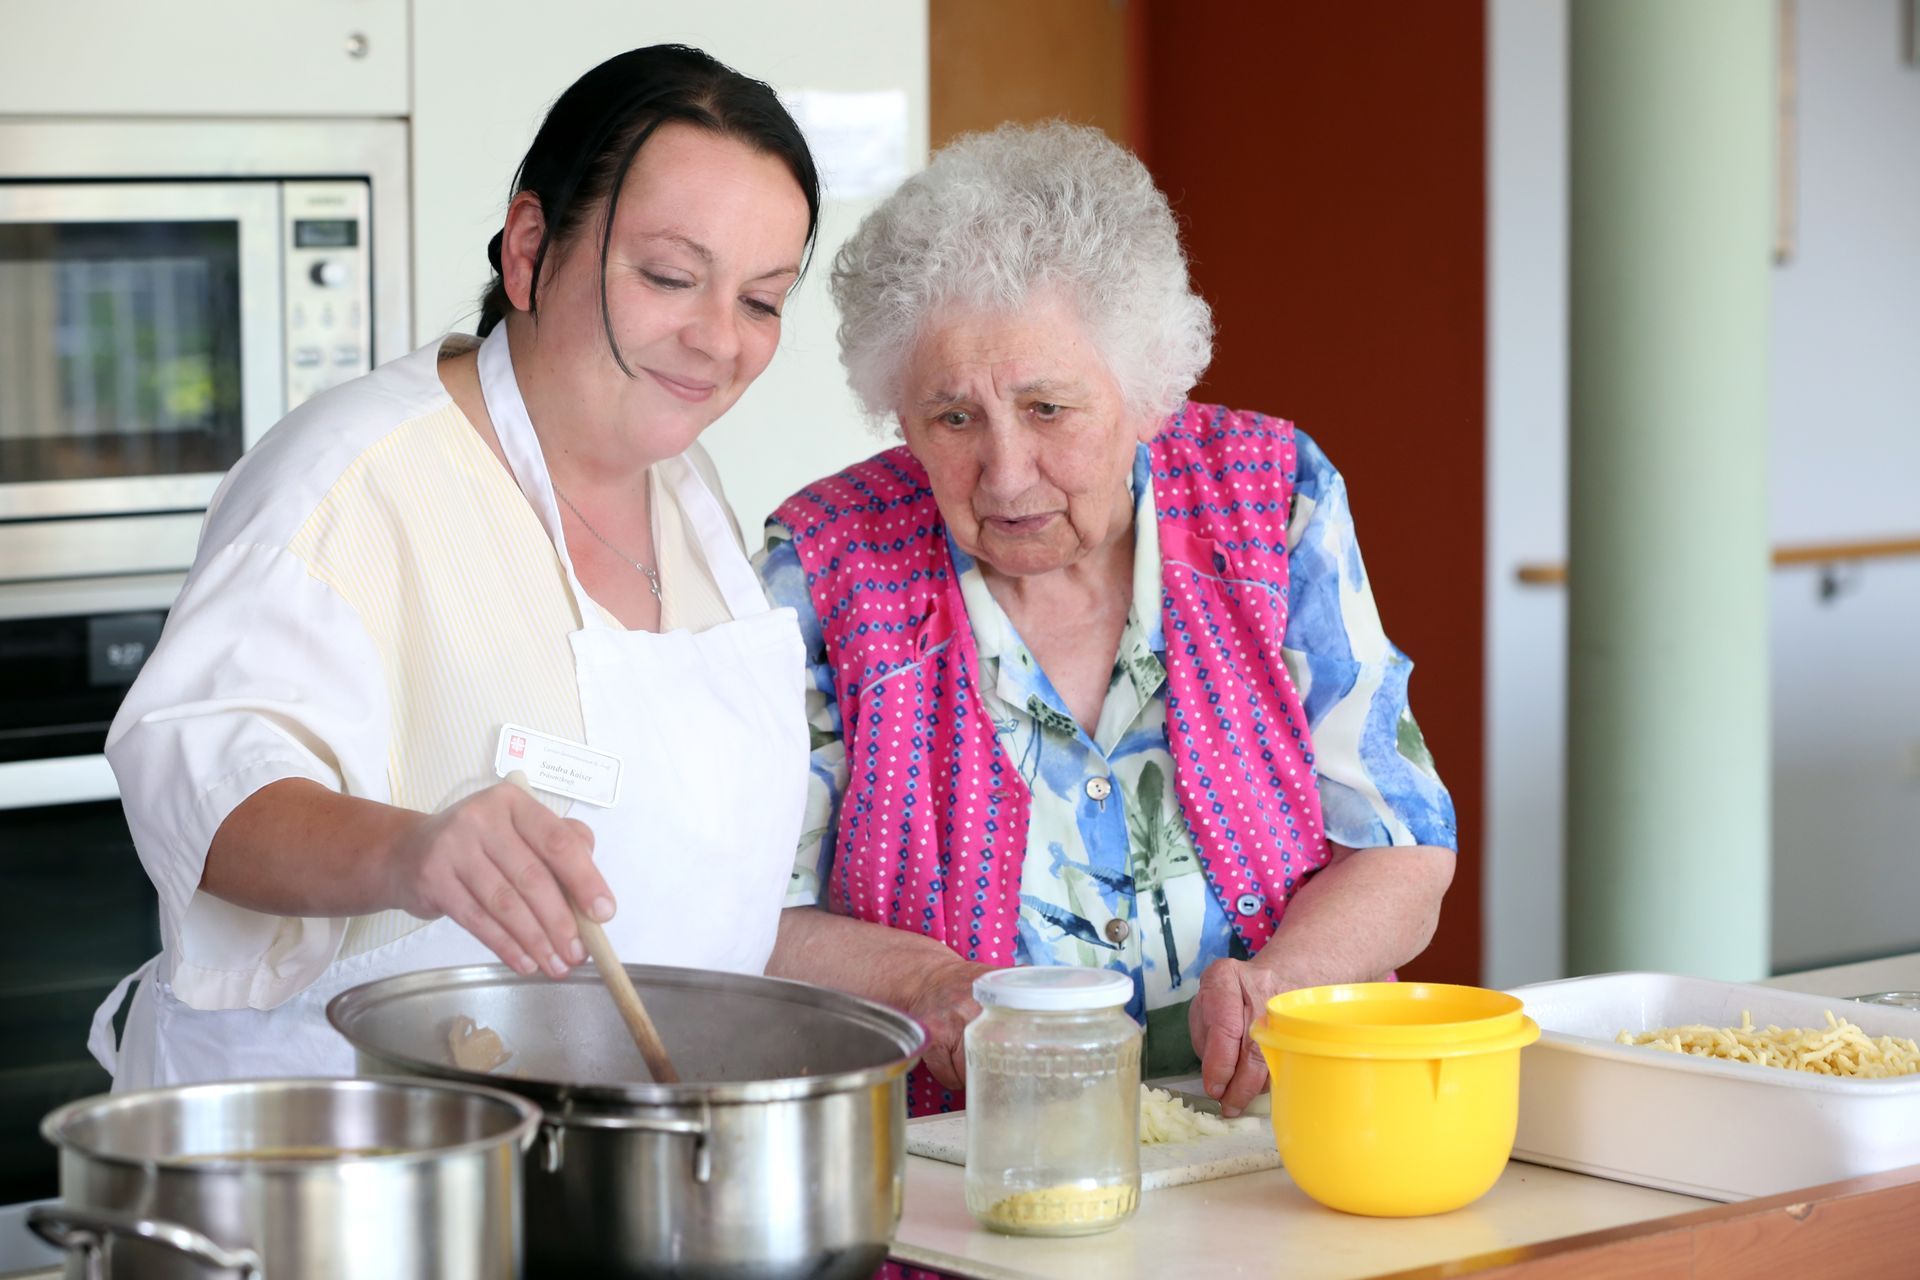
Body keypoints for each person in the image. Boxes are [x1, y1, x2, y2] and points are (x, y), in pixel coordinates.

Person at [92, 45, 820, 1088]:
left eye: (762, 300)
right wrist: (410, 852)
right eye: (669, 276)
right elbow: (201, 792)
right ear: (531, 247)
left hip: (593, 1159)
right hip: (339, 1173)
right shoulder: (355, 476)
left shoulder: (689, 493)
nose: (717, 340)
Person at [760, 122, 1456, 1118]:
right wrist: (924, 984)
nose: (1004, 473)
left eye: (1048, 409)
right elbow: (753, 916)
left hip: (1275, 1154)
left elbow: (1402, 844)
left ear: (1146, 388)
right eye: (953, 419)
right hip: (959, 1188)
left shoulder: (1270, 501)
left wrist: (1283, 980)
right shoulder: (825, 566)